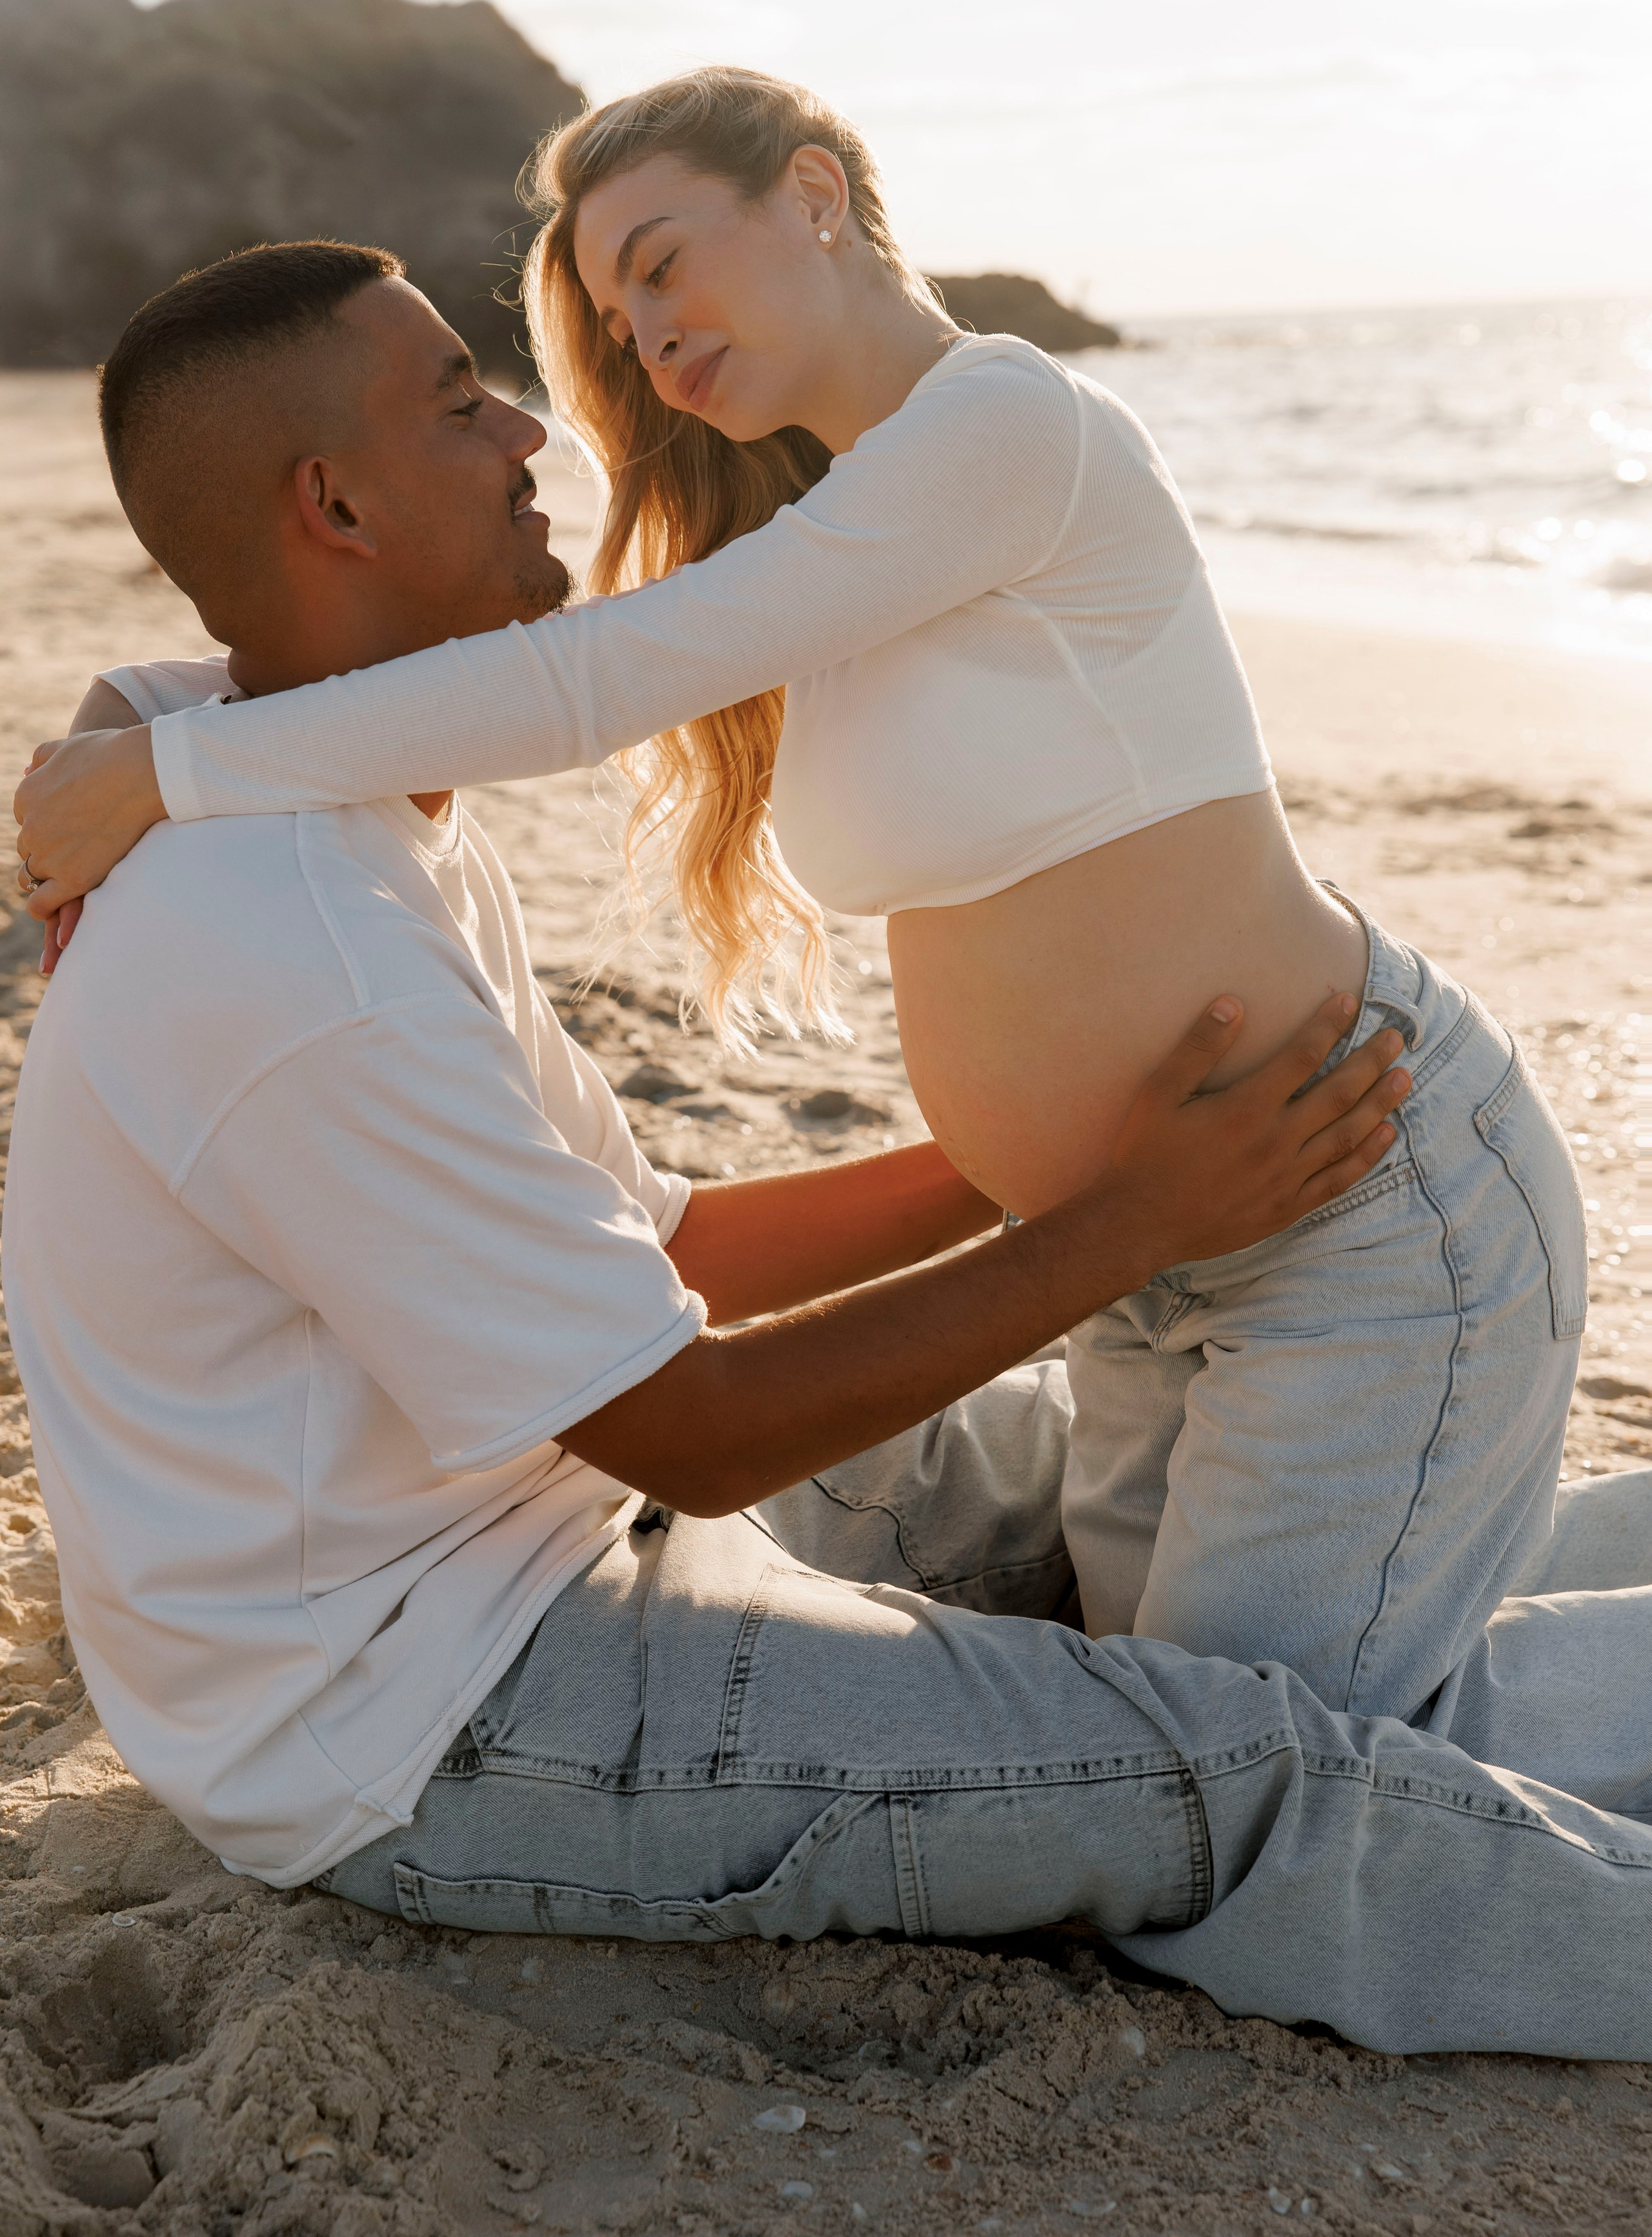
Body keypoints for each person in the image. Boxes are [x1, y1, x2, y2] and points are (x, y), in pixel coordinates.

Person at [12, 240, 1652, 2070]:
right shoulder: (296, 947)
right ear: (333, 502)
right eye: (461, 404)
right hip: (431, 1709)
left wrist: (1023, 1161)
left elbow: (668, 1243)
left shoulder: (298, 785)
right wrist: (1132, 1223)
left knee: (1151, 1478)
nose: (537, 433)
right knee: (1236, 1760)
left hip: (540, 1515)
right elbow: (680, 1424)